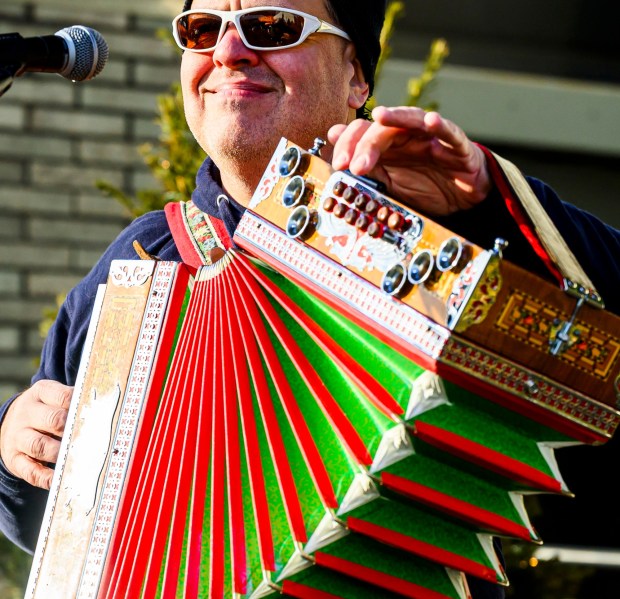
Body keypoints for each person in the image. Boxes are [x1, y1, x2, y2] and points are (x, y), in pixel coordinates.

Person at [0, 1, 619, 597]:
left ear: (355, 75)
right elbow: (45, 522)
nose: (229, 50)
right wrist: (13, 450)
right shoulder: (143, 259)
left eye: (272, 27)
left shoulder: (439, 221)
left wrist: (489, 205)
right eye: (201, 27)